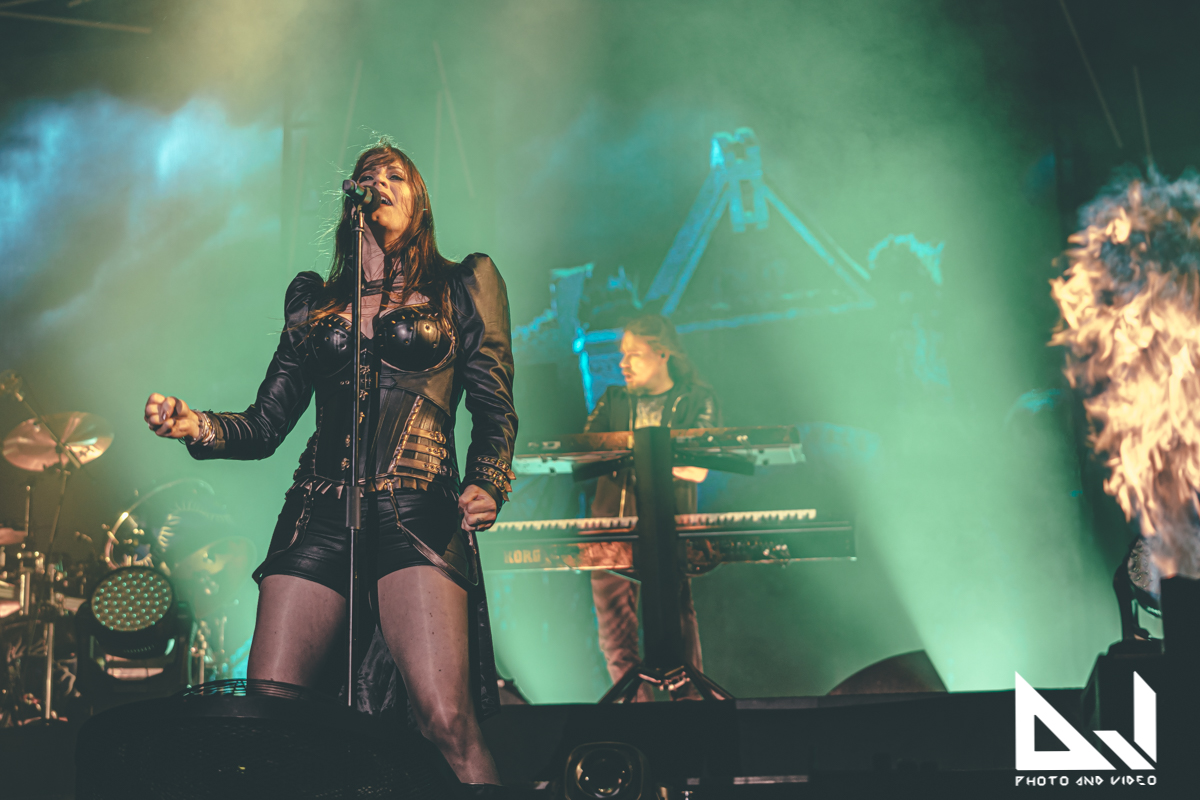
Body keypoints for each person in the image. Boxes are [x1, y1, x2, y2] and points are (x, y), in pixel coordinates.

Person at [143, 140, 517, 795]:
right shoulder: (314, 301)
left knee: (444, 719)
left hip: (417, 509)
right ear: (351, 200)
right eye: (368, 176)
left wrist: (488, 478)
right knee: (270, 716)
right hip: (317, 512)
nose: (379, 183)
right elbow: (266, 425)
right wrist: (195, 424)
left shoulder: (462, 283)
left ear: (419, 199)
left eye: (395, 175)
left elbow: (493, 403)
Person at [582, 314, 718, 700]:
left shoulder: (696, 399)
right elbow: (587, 451)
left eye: (634, 354)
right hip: (610, 529)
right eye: (622, 354)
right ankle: (638, 718)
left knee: (677, 628)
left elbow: (699, 468)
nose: (623, 363)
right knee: (614, 637)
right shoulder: (614, 400)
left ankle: (691, 714)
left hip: (667, 528)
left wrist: (643, 456)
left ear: (662, 354)